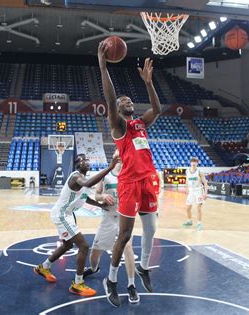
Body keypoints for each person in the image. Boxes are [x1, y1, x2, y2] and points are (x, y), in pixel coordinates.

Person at [98, 40, 161, 307]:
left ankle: (143, 267)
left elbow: (157, 110)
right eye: (125, 100)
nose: (128, 101)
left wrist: (148, 83)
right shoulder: (119, 126)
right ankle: (111, 280)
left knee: (152, 229)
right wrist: (103, 65)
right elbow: (111, 100)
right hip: (129, 184)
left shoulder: (140, 123)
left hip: (148, 180)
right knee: (124, 236)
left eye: (130, 99)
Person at [33, 154, 119, 297]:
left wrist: (99, 205)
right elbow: (88, 184)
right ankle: (77, 284)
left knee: (67, 245)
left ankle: (44, 267)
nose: (85, 162)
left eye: (87, 160)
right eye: (81, 160)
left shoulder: (83, 179)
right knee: (84, 246)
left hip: (68, 214)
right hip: (62, 214)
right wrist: (110, 168)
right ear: (77, 164)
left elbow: (85, 197)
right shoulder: (76, 177)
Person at [83, 150, 140, 304]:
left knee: (128, 247)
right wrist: (103, 197)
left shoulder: (131, 174)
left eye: (123, 154)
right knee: (94, 256)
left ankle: (131, 285)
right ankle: (94, 269)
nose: (121, 157)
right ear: (114, 157)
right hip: (108, 217)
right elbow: (97, 195)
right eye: (118, 155)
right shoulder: (105, 175)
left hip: (124, 217)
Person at [183, 157, 209, 231]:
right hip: (191, 191)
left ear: (197, 163)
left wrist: (206, 193)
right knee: (187, 208)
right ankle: (189, 221)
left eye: (195, 162)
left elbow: (205, 183)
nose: (194, 163)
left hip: (199, 191)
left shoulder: (200, 172)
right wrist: (186, 188)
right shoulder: (187, 171)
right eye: (192, 161)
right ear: (190, 162)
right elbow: (187, 180)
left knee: (198, 208)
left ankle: (199, 224)